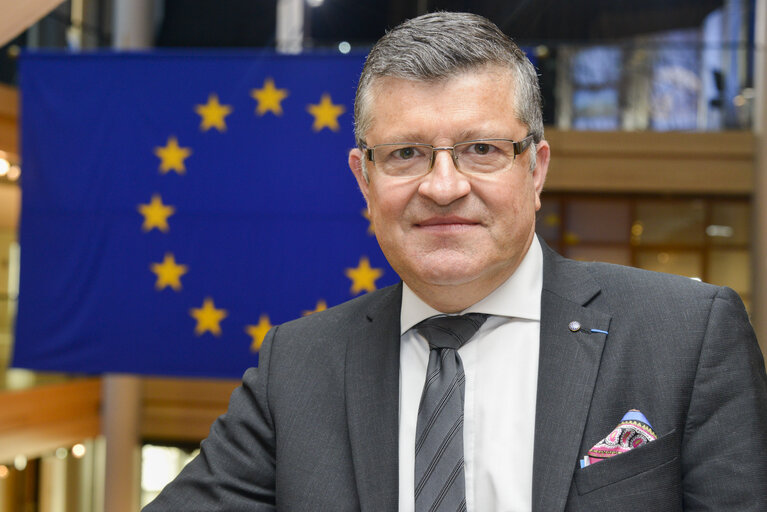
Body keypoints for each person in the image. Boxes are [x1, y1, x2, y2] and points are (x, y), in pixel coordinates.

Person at [144, 11, 767, 512]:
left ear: (535, 168)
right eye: (407, 152)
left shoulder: (686, 334)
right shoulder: (298, 367)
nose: (443, 186)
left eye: (480, 149)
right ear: (365, 180)